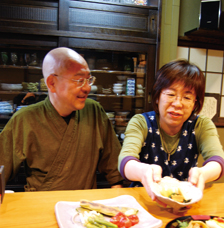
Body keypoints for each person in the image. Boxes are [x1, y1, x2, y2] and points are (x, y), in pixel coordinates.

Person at [0, 47, 123, 191]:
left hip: (84, 208)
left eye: (89, 79)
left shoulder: (94, 111)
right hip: (41, 207)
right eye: (79, 80)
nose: (87, 88)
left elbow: (114, 167)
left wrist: (119, 205)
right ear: (52, 83)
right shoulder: (25, 119)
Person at [118, 59, 224, 201]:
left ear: (195, 103)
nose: (177, 103)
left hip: (185, 200)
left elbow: (217, 160)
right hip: (144, 199)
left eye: (187, 97)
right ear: (157, 96)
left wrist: (202, 174)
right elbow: (125, 161)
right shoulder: (141, 122)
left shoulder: (201, 125)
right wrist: (144, 171)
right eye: (170, 94)